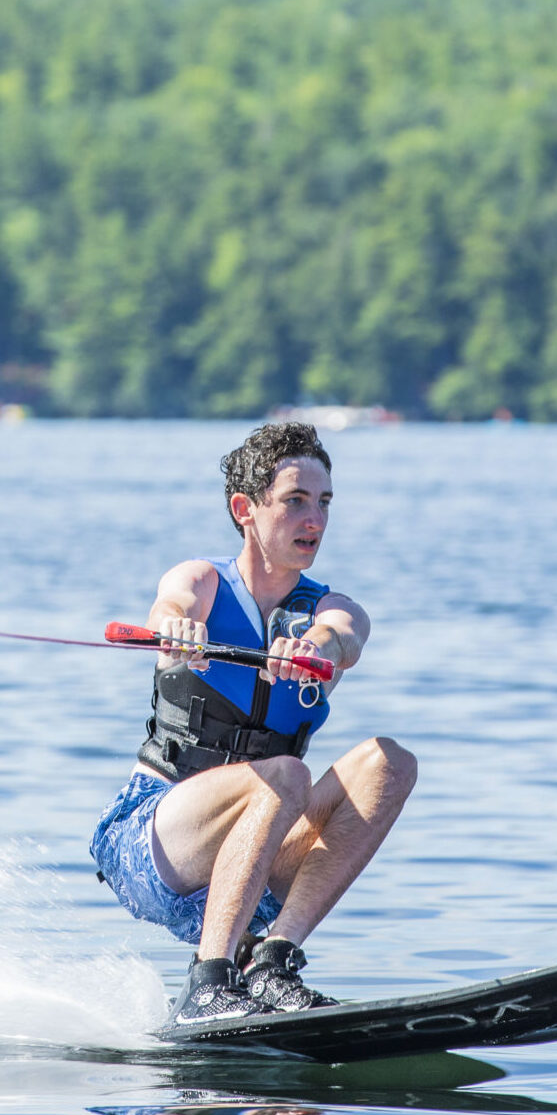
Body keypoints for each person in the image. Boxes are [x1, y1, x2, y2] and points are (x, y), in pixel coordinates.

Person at [91, 422, 418, 1026]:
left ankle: (270, 962)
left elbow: (347, 634)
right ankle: (208, 983)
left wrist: (317, 645)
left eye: (323, 503)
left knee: (389, 762)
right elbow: (171, 604)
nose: (313, 519)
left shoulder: (330, 607)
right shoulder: (201, 582)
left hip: (258, 862)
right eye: (295, 501)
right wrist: (178, 628)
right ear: (246, 509)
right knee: (287, 775)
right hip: (154, 845)